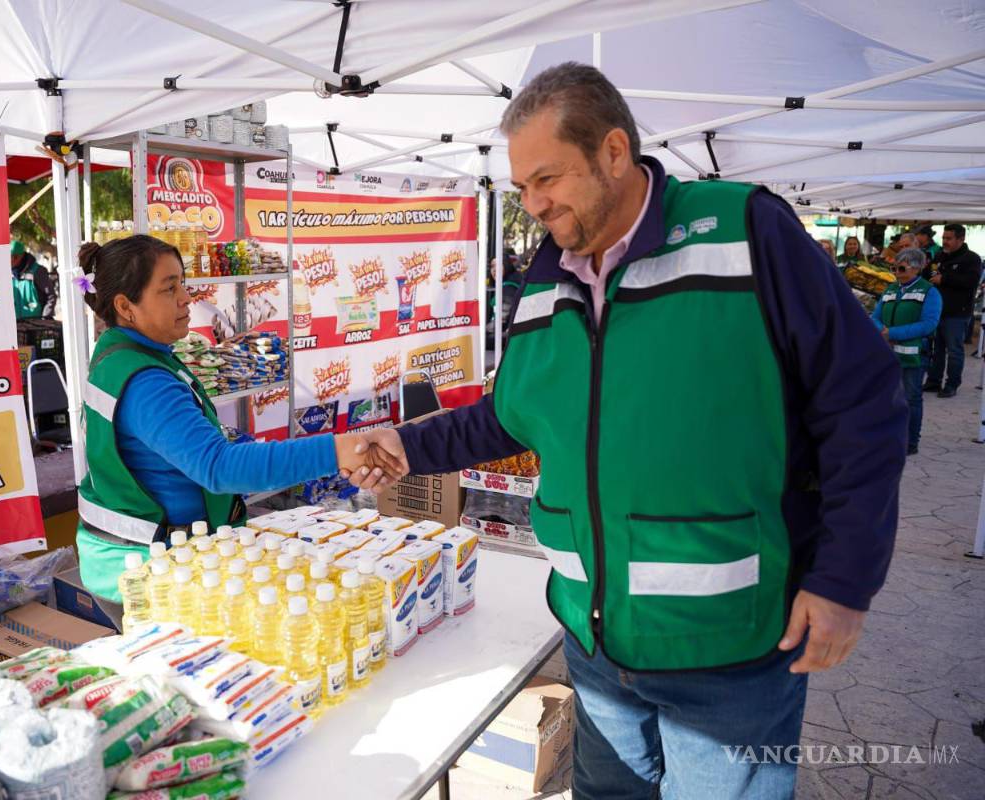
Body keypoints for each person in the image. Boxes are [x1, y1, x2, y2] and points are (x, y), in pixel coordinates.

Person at [350, 63, 906, 799]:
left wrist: (844, 582)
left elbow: (863, 402)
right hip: (592, 641)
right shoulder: (546, 277)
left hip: (728, 645)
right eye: (521, 189)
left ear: (615, 152)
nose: (534, 204)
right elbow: (513, 414)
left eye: (546, 179)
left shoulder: (746, 231)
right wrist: (409, 444)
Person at [72, 235, 398, 601]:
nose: (186, 297)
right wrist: (337, 451)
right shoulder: (145, 381)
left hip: (135, 554)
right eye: (169, 289)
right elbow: (220, 468)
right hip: (144, 568)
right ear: (125, 306)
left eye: (182, 283)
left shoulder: (122, 353)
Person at [872, 248, 942, 455]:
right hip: (887, 354)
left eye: (901, 268)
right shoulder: (890, 290)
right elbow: (875, 316)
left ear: (917, 268)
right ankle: (888, 437)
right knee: (887, 397)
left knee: (911, 398)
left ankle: (910, 442)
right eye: (894, 268)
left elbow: (929, 324)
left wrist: (892, 332)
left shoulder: (929, 292)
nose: (896, 272)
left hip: (914, 355)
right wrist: (881, 330)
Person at [924, 223, 982, 397]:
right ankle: (934, 381)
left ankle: (952, 384)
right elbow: (928, 273)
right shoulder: (940, 256)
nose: (945, 241)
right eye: (943, 238)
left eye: (949, 238)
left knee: (954, 351)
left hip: (957, 313)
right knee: (937, 350)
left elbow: (971, 282)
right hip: (937, 312)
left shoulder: (971, 259)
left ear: (961, 239)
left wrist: (945, 279)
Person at [11, 240, 56, 320]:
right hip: (17, 326)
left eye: (15, 257)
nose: (11, 261)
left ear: (22, 255)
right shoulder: (8, 274)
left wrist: (45, 319)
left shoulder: (38, 271)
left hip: (37, 326)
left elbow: (51, 296)